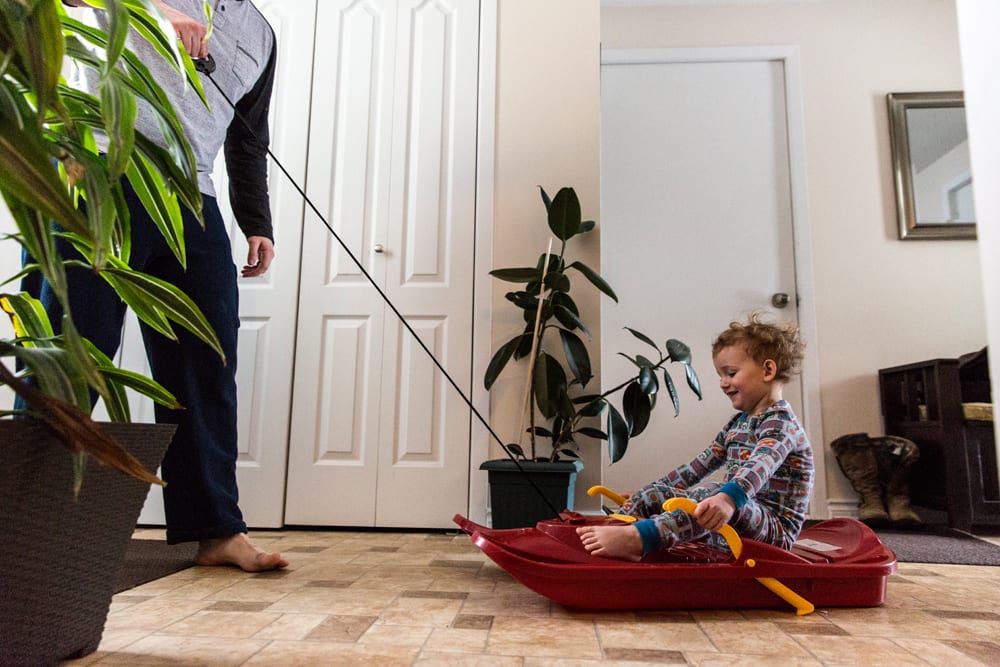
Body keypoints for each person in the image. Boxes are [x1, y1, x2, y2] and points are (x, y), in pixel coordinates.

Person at [53, 0, 287, 571]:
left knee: (207, 366)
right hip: (99, 174)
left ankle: (215, 531)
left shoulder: (260, 36)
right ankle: (31, 523)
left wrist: (256, 223)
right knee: (70, 357)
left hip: (192, 198)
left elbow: (247, 137)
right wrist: (158, 11)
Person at [577, 313, 814, 561]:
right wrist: (650, 491)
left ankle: (639, 539)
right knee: (654, 495)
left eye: (730, 373)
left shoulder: (782, 424)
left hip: (773, 531)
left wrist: (726, 499)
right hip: (735, 516)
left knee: (712, 494)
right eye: (720, 376)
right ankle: (620, 531)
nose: (723, 383)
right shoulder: (738, 424)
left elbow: (760, 465)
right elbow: (696, 467)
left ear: (767, 370)